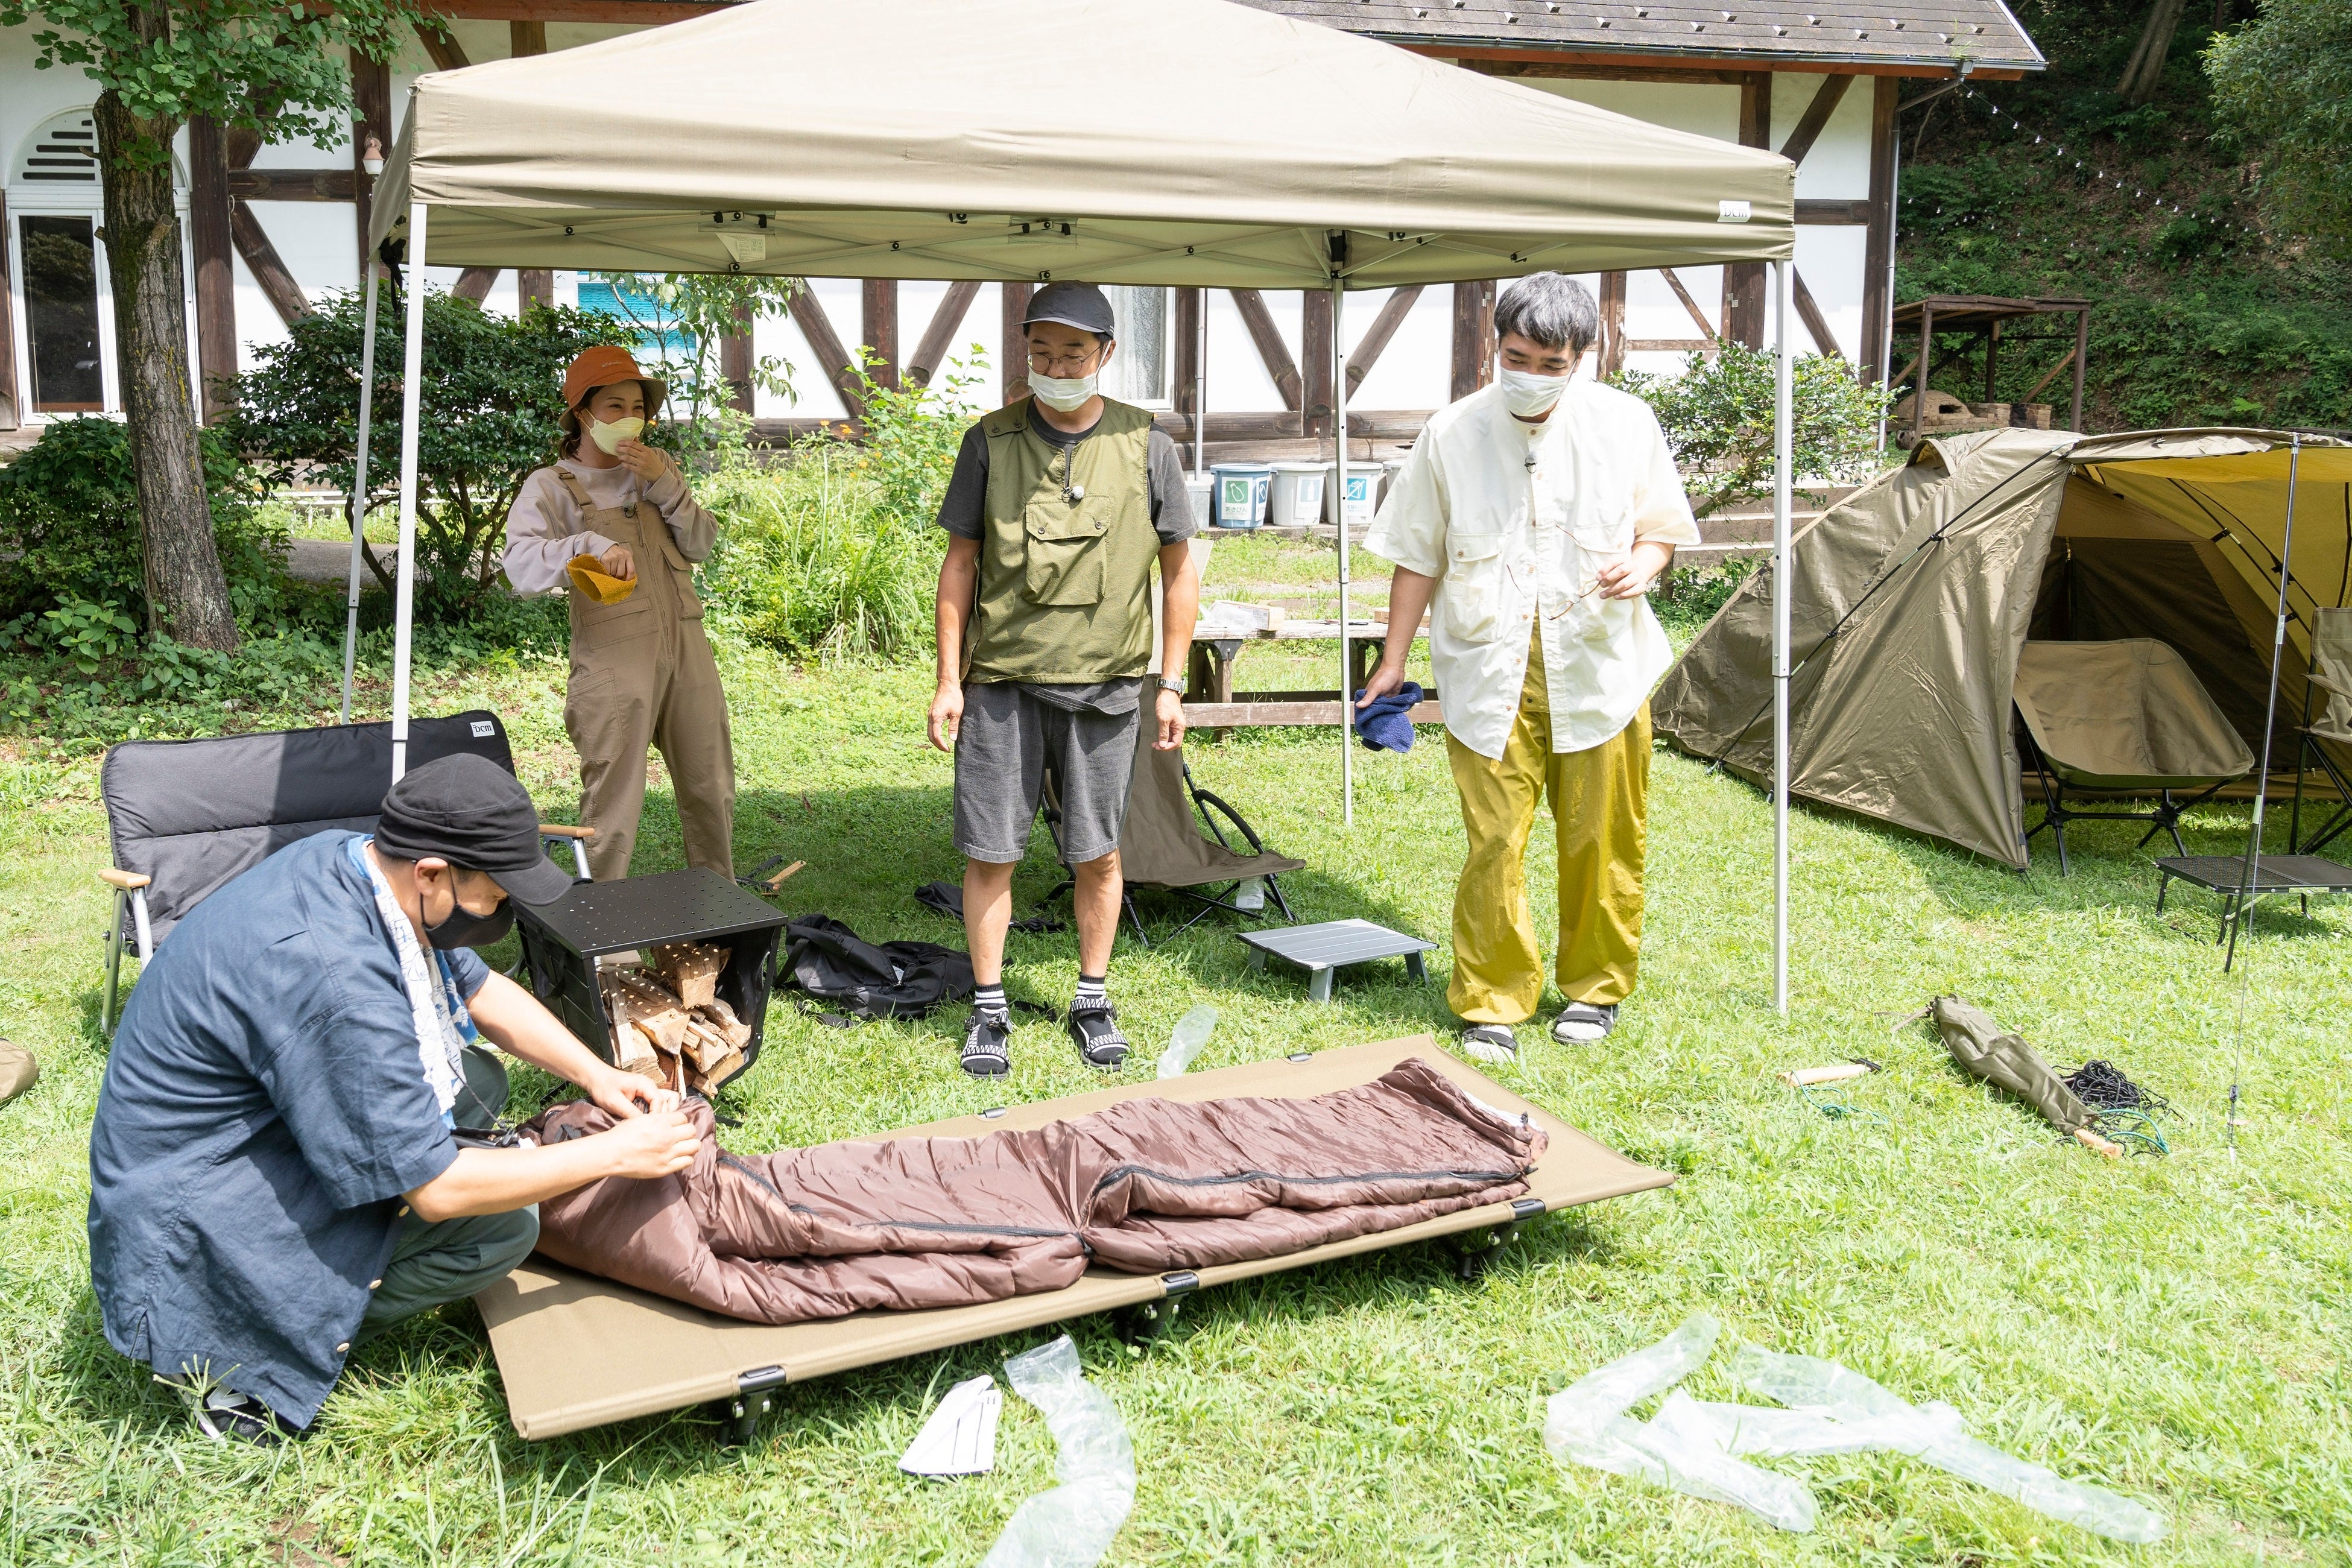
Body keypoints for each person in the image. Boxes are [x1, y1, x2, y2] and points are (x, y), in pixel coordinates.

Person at [87, 754, 703, 1445]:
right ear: (434, 874)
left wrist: (596, 1073)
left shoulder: (359, 863)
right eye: (496, 896)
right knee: (502, 1227)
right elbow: (439, 1189)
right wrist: (616, 1151)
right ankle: (240, 1351)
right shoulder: (336, 977)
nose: (501, 910)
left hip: (222, 1139)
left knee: (478, 1078)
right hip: (187, 1221)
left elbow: (478, 989)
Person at [1358, 272, 1699, 1064]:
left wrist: (1645, 566)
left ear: (1583, 357)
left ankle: (1595, 988)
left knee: (1602, 839)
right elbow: (1417, 554)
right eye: (1519, 356)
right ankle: (1491, 1002)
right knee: (1495, 842)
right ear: (1495, 345)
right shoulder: (1452, 432)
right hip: (1488, 671)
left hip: (1602, 668)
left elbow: (1661, 531)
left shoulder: (1625, 424)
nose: (1533, 374)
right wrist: (1392, 659)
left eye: (1553, 362)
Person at [926, 282, 1201, 1077]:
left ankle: (1092, 996)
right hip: (1003, 682)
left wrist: (1172, 683)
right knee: (991, 853)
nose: (1055, 367)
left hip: (1109, 683)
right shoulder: (990, 440)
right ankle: (989, 1007)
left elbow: (1179, 574)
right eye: (1040, 352)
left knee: (1099, 853)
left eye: (1073, 353)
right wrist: (950, 680)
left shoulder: (1148, 445)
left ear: (1107, 356)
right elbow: (960, 565)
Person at [505, 346, 735, 882]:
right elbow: (518, 567)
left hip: (687, 642)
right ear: (582, 414)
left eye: (638, 406)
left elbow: (700, 544)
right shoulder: (551, 485)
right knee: (614, 803)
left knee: (712, 786)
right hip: (614, 658)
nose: (630, 418)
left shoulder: (657, 471)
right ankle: (604, 941)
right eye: (614, 406)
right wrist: (584, 544)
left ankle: (721, 920)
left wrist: (667, 483)